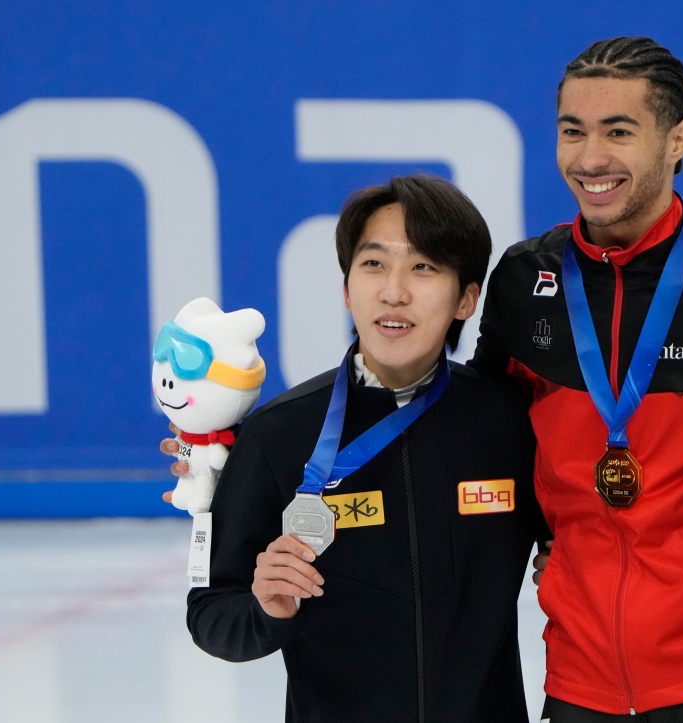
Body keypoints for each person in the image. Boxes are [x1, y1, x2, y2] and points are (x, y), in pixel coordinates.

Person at [468, 37, 683, 721]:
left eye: (619, 131)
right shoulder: (526, 279)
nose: (590, 159)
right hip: (578, 677)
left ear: (678, 139)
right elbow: (479, 432)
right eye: (571, 131)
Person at [185, 174, 543, 722]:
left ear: (467, 298)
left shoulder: (512, 423)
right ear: (347, 288)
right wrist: (266, 608)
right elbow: (213, 617)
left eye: (423, 267)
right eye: (374, 264)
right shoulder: (279, 436)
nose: (393, 290)